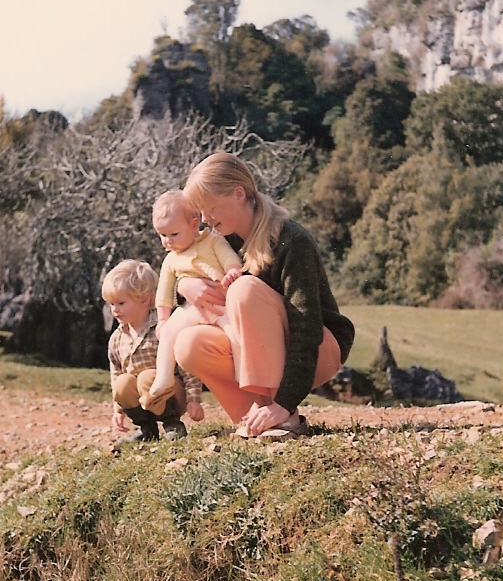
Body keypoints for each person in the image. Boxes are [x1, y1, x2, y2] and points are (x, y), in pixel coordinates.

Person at [174, 152, 355, 439]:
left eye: (211, 208)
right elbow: (184, 266)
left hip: (319, 349)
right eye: (201, 212)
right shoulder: (221, 241)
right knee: (188, 344)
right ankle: (253, 418)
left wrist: (285, 402)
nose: (206, 220)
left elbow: (307, 328)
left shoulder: (291, 240)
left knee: (243, 289)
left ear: (238, 194)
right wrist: (184, 287)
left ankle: (281, 414)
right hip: (265, 352)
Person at [143, 190, 243, 412]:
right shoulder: (171, 259)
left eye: (174, 234)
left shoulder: (212, 241)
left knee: (236, 334)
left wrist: (232, 270)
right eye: (162, 235)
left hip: (220, 303)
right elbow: (164, 292)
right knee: (168, 333)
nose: (168, 241)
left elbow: (228, 256)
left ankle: (242, 374)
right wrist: (162, 319)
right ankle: (164, 377)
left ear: (194, 224)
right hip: (191, 308)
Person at [101, 259, 204, 444]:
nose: (115, 310)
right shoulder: (117, 338)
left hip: (172, 395)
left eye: (121, 303)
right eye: (111, 304)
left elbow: (186, 367)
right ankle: (147, 430)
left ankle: (173, 424)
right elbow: (115, 374)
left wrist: (193, 399)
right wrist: (118, 410)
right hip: (141, 398)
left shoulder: (164, 328)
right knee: (123, 382)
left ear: (145, 299)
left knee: (147, 377)